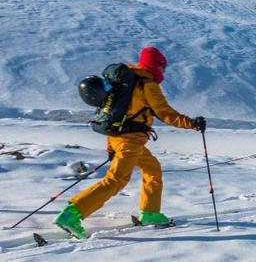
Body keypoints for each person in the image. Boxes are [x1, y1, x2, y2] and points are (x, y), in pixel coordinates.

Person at [53, 47, 205, 239]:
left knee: (152, 169)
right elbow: (166, 113)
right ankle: (72, 215)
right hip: (130, 141)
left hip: (121, 139)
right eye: (162, 66)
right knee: (116, 180)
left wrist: (111, 147)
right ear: (156, 64)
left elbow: (113, 115)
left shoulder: (125, 80)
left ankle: (151, 213)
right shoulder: (147, 84)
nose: (164, 71)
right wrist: (192, 124)